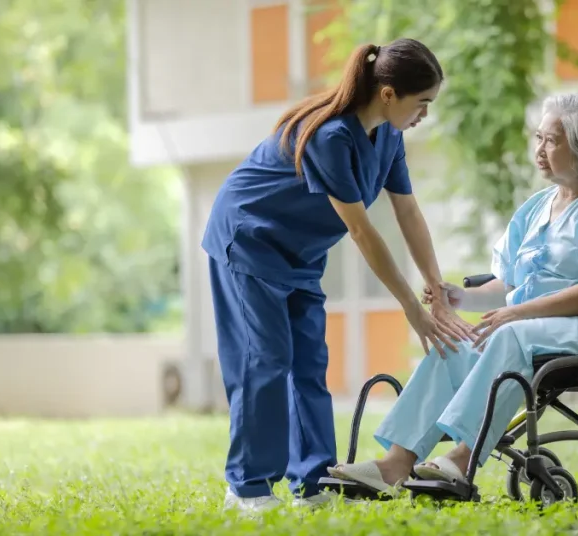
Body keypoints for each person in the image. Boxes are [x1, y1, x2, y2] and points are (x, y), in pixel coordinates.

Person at [326, 92, 578, 493]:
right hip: (537, 332)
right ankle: (395, 464)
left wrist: (518, 314)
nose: (540, 150)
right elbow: (508, 285)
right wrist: (455, 298)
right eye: (538, 138)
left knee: (511, 333)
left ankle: (460, 460)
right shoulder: (535, 208)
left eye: (552, 140)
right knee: (456, 343)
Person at [201, 38, 473, 513]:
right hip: (248, 240)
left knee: (309, 365)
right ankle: (246, 489)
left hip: (299, 255)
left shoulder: (388, 136)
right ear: (388, 93)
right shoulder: (330, 135)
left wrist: (435, 288)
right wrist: (412, 309)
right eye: (422, 102)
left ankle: (312, 483)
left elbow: (407, 211)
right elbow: (363, 233)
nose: (425, 114)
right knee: (265, 360)